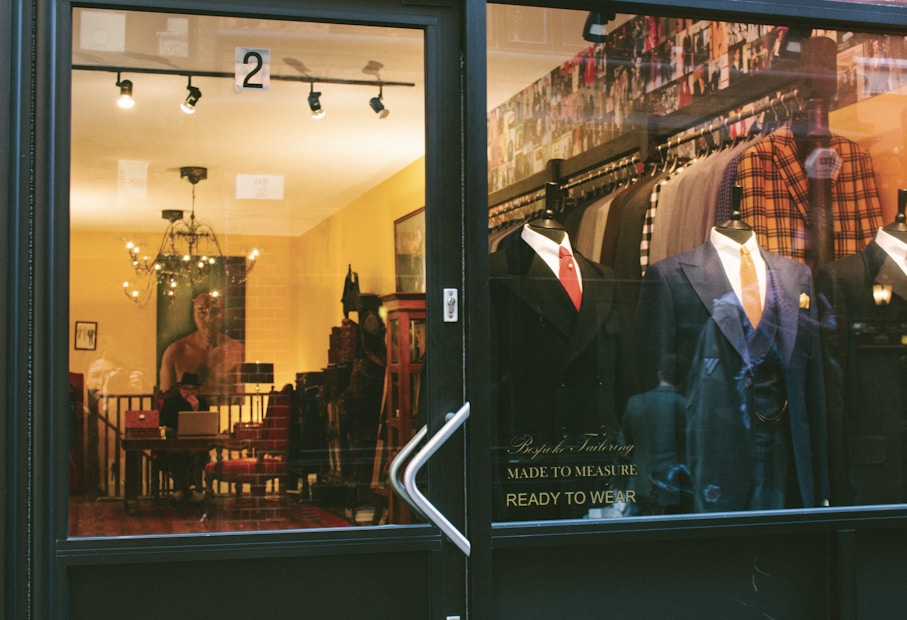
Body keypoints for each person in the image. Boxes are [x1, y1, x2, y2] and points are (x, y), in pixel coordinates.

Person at [621, 354, 688, 515]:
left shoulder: (635, 403)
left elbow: (623, 447)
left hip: (640, 485)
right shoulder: (684, 405)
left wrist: (618, 481)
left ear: (660, 374)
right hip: (673, 486)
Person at [159, 291, 245, 397]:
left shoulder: (238, 351)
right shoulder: (175, 352)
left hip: (227, 412)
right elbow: (164, 398)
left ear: (223, 315)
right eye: (202, 312)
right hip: (186, 412)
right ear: (194, 315)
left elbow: (244, 397)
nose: (209, 319)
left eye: (214, 312)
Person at [158, 372, 210, 502]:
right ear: (180, 389)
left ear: (198, 391)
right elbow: (162, 423)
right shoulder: (170, 402)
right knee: (177, 455)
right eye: (185, 389)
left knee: (199, 455)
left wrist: (196, 410)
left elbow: (207, 425)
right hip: (175, 445)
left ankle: (183, 491)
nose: (189, 392)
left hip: (197, 445)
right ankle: (188, 492)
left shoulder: (203, 403)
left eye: (193, 389)